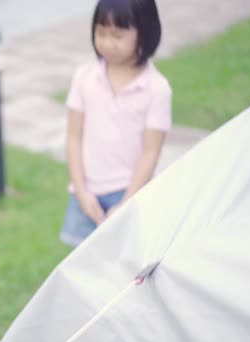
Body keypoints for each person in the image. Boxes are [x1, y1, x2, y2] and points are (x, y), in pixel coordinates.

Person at [60, 0, 172, 247]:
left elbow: (150, 152)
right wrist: (80, 190)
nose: (107, 43)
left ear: (144, 32)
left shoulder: (156, 89)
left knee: (125, 270)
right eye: (101, 33)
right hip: (86, 194)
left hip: (131, 194)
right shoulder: (85, 78)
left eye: (117, 35)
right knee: (82, 271)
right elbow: (73, 137)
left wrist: (127, 202)